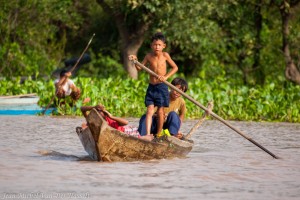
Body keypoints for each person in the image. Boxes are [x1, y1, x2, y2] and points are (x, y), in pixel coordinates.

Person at [128, 32, 178, 137]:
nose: (157, 47)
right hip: (152, 87)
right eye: (155, 45)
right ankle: (147, 134)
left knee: (160, 111)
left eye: (159, 45)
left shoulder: (165, 55)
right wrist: (135, 61)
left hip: (162, 86)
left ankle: (159, 133)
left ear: (164, 46)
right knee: (150, 110)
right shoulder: (148, 56)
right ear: (151, 45)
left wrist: (165, 77)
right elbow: (140, 68)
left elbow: (175, 68)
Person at [80, 104, 154, 141]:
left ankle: (146, 137)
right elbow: (82, 109)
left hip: (125, 133)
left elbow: (126, 122)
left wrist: (111, 116)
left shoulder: (108, 119)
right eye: (97, 112)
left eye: (101, 112)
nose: (99, 114)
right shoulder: (92, 120)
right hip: (113, 138)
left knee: (139, 138)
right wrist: (93, 107)